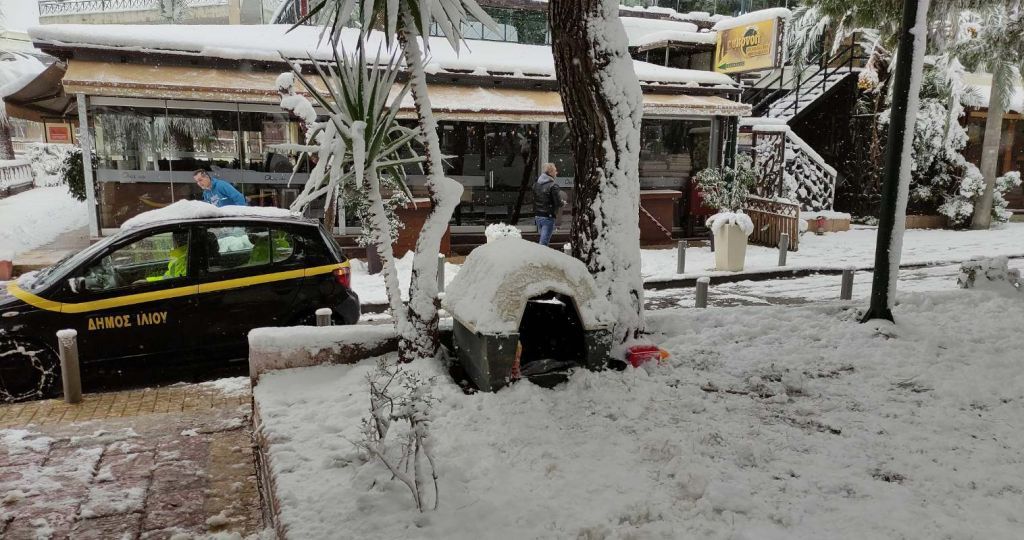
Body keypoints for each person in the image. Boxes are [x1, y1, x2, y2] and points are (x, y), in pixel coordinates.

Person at [533, 163, 564, 246]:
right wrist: (562, 203)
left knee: (542, 241)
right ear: (550, 172)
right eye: (555, 171)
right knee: (543, 244)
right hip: (548, 217)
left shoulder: (536, 184)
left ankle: (540, 256)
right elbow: (558, 202)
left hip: (538, 216)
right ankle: (540, 258)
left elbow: (536, 199)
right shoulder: (553, 186)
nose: (556, 173)